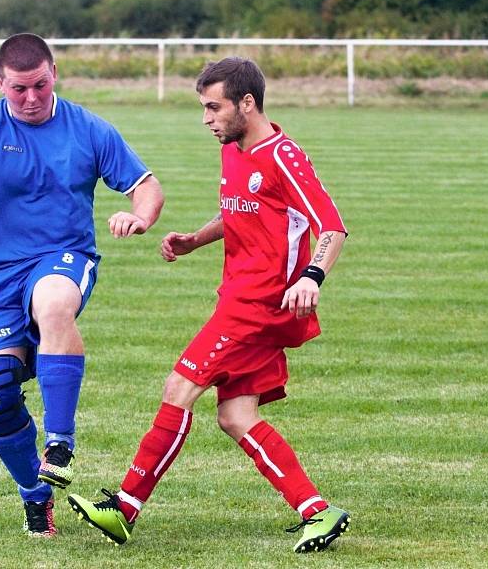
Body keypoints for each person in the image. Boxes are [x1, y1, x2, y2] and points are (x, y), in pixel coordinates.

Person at [68, 57, 351, 553]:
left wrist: (312, 276)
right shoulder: (234, 148)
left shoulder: (283, 156)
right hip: (241, 298)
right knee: (237, 416)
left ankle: (125, 508)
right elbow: (240, 212)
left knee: (180, 386)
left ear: (247, 103)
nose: (207, 118)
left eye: (213, 107)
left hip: (259, 304)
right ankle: (317, 511)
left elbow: (331, 225)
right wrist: (196, 239)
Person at [0, 33, 164, 537]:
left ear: (55, 74)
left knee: (53, 304)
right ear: (0, 82)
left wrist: (141, 216)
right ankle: (35, 493)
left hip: (62, 257)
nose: (30, 98)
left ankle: (60, 444)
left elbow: (146, 185)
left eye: (40, 86)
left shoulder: (88, 129)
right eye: (19, 89)